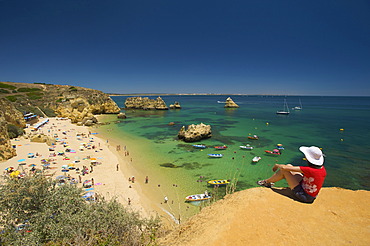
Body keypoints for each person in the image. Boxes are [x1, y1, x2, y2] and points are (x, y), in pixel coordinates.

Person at [257, 146, 326, 203]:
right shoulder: (321, 169)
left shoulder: (309, 170)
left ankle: (266, 182)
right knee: (289, 166)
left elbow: (284, 168)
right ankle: (269, 182)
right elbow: (291, 167)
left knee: (284, 171)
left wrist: (276, 165)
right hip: (309, 193)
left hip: (304, 196)